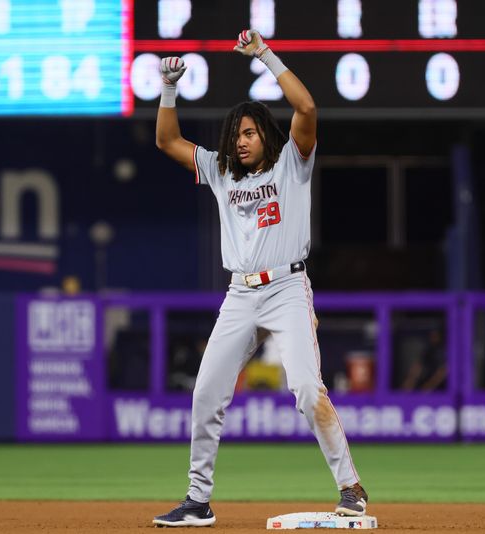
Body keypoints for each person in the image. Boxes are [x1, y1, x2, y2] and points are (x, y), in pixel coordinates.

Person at [152, 29, 367, 528]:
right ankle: (197, 501)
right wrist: (168, 89)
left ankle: (350, 486)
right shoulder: (222, 171)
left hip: (287, 287)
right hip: (240, 293)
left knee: (307, 389)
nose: (239, 141)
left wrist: (265, 55)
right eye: (234, 134)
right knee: (205, 391)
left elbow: (307, 108)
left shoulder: (293, 160)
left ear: (265, 134)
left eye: (248, 133)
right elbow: (167, 140)